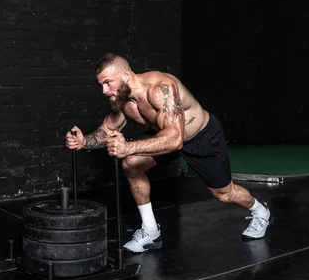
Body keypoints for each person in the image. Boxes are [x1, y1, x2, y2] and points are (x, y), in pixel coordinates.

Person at [65, 53, 271, 253]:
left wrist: (128, 147)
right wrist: (84, 141)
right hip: (165, 136)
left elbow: (175, 140)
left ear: (126, 75)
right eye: (101, 84)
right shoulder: (123, 98)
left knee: (224, 195)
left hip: (201, 138)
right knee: (131, 164)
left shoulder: (160, 89)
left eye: (108, 82)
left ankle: (261, 212)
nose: (104, 90)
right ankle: (150, 231)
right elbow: (108, 129)